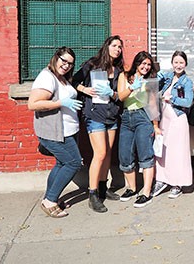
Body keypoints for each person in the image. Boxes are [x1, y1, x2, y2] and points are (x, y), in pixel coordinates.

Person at [28, 47, 83, 218]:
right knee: (73, 163)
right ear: (56, 58)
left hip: (68, 130)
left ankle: (50, 197)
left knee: (61, 164)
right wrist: (60, 103)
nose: (66, 65)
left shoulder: (62, 78)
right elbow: (33, 104)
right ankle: (50, 201)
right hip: (55, 132)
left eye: (70, 64)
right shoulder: (47, 76)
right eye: (63, 60)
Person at [72, 36, 124, 213]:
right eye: (114, 45)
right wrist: (85, 89)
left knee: (108, 153)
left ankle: (103, 187)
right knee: (100, 153)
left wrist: (114, 93)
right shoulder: (92, 64)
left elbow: (120, 93)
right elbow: (74, 80)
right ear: (107, 46)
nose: (118, 49)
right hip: (95, 115)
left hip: (112, 115)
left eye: (120, 47)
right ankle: (92, 193)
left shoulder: (118, 70)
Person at [151, 51, 194, 199]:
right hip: (165, 119)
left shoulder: (187, 81)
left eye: (181, 62)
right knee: (164, 151)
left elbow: (188, 102)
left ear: (185, 64)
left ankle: (178, 184)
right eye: (176, 62)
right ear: (172, 63)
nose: (178, 65)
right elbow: (153, 86)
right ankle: (162, 180)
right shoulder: (168, 77)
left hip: (178, 119)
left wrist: (172, 98)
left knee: (178, 152)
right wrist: (159, 76)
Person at [117, 51, 158, 208]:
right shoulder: (125, 76)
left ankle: (146, 192)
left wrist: (155, 125)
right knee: (125, 154)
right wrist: (132, 88)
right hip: (127, 116)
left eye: (149, 65)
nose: (146, 67)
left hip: (143, 117)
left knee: (145, 154)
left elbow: (153, 105)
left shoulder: (150, 82)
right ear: (137, 63)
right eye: (143, 63)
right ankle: (132, 188)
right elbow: (121, 97)